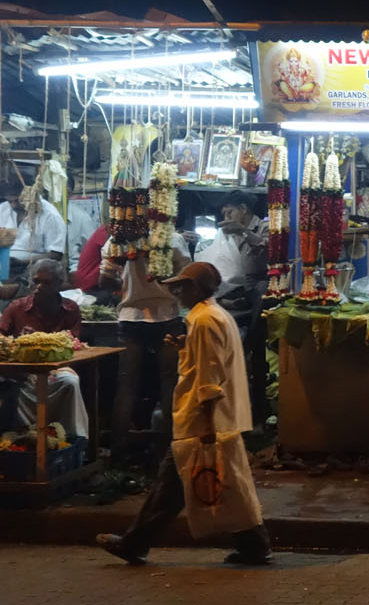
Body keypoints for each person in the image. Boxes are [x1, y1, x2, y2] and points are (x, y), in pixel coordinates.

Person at [99, 262, 272, 566]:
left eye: (182, 286)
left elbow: (208, 376)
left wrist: (206, 423)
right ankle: (253, 545)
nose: (177, 292)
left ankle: (134, 543)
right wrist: (186, 346)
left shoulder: (204, 320)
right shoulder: (215, 315)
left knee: (177, 484)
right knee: (222, 483)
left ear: (197, 288)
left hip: (203, 420)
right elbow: (210, 360)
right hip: (217, 419)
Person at [109, 236, 191, 458]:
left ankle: (119, 450)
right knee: (169, 382)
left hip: (130, 317)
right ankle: (169, 449)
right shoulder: (172, 238)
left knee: (126, 383)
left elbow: (105, 279)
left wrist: (129, 283)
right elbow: (185, 277)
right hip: (167, 315)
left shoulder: (117, 238)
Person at [194, 192, 269, 422]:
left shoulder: (264, 226)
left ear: (244, 208)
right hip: (234, 299)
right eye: (223, 214)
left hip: (259, 294)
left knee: (254, 353)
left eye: (230, 212)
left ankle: (259, 411)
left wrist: (244, 232)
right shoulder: (227, 234)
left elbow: (269, 249)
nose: (226, 217)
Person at [0, 260, 89, 438]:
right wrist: (15, 345)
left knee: (70, 382)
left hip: (58, 368)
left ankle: (72, 437)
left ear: (59, 284)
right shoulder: (17, 307)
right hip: (22, 371)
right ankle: (27, 435)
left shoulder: (70, 309)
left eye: (46, 282)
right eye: (36, 281)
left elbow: (72, 343)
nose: (39, 287)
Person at [0, 179, 68, 293]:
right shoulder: (3, 209)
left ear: (31, 195)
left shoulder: (50, 216)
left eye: (17, 201)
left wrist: (23, 262)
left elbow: (56, 254)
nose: (13, 205)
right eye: (10, 201)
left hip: (32, 270)